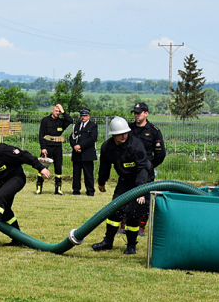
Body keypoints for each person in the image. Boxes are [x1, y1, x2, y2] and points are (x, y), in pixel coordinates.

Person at [91, 117, 152, 255]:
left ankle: (131, 245)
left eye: (125, 133)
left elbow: (143, 168)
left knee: (132, 213)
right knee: (114, 208)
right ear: (113, 134)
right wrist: (101, 182)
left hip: (142, 180)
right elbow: (104, 167)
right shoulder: (107, 147)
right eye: (120, 134)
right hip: (125, 180)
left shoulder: (136, 145)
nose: (124, 136)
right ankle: (108, 241)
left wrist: (141, 190)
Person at [122, 102, 166, 236]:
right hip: (129, 169)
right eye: (135, 113)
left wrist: (149, 166)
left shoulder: (154, 131)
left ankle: (141, 226)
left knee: (144, 199)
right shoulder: (128, 129)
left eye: (139, 112)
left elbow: (160, 153)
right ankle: (124, 224)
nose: (136, 115)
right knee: (125, 196)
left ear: (146, 113)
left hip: (146, 170)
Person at [37, 103, 73, 195]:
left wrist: (63, 111)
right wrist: (43, 147)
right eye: (56, 111)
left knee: (58, 168)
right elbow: (41, 135)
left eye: (59, 111)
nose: (58, 113)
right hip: (47, 147)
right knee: (42, 167)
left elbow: (70, 120)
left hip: (57, 147)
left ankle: (58, 189)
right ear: (52, 110)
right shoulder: (45, 120)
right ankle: (39, 187)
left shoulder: (61, 122)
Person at [69, 108, 98, 196]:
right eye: (82, 115)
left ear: (88, 116)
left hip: (87, 154)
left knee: (88, 174)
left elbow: (92, 138)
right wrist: (75, 146)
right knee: (76, 174)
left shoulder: (93, 125)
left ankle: (90, 191)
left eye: (85, 115)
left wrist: (81, 145)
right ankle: (76, 190)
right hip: (77, 154)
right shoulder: (76, 126)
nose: (83, 117)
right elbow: (72, 138)